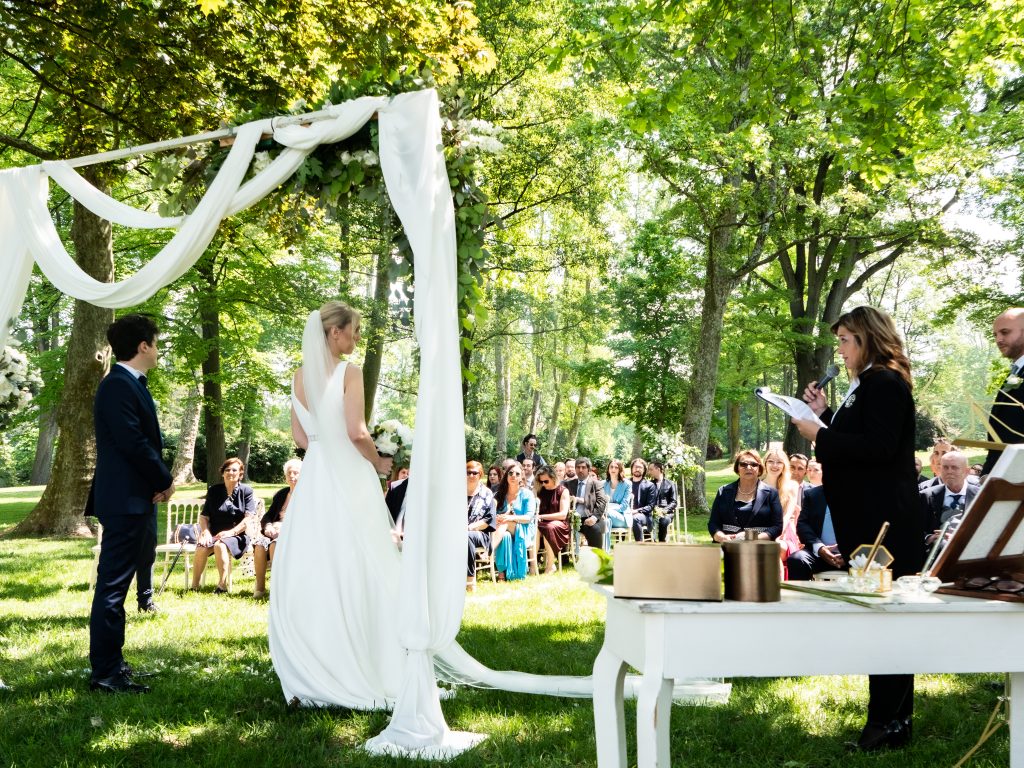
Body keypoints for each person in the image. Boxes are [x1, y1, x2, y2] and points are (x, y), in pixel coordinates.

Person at [792, 305, 924, 752]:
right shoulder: (864, 386)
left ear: (867, 338)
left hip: (883, 525)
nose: (840, 349)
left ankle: (888, 723)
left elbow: (880, 448)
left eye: (845, 339)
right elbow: (858, 444)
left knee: (887, 621)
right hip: (868, 521)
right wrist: (825, 415)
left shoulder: (884, 383)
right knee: (881, 620)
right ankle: (892, 721)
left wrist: (817, 434)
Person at [269, 301, 400, 709]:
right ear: (334, 332)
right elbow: (357, 431)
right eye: (354, 330)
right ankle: (367, 663)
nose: (357, 338)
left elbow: (301, 438)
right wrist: (379, 461)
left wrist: (326, 449)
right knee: (360, 561)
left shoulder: (299, 376)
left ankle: (318, 663)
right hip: (348, 474)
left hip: (315, 479)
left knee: (318, 563)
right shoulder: (350, 373)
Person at [88, 314, 174, 694]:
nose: (158, 350)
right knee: (112, 587)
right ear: (143, 346)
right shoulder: (118, 385)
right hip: (124, 499)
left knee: (116, 585)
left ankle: (114, 664)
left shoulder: (130, 383)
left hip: (133, 497)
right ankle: (105, 672)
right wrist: (164, 479)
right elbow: (133, 442)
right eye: (155, 343)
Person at [190, 457, 256, 593]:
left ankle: (222, 585)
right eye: (227, 470)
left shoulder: (246, 491)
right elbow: (204, 517)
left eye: (234, 470)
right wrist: (205, 532)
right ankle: (194, 586)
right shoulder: (214, 491)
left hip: (238, 535)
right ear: (222, 473)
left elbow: (248, 519)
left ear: (240, 474)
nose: (230, 472)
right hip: (214, 534)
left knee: (220, 545)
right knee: (201, 546)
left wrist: (230, 533)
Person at [982, 308, 1024, 476]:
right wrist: (988, 474)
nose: (999, 339)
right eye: (995, 335)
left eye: (1005, 332)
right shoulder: (1015, 373)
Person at [708, 450, 783, 542]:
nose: (748, 467)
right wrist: (721, 537)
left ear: (759, 468)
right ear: (737, 468)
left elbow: (777, 526)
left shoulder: (771, 493)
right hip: (727, 546)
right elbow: (713, 523)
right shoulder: (723, 491)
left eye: (754, 464)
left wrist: (752, 538)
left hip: (759, 547)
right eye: (743, 464)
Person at [253, 458, 301, 599]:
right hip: (273, 531)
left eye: (296, 473)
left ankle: (277, 588)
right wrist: (268, 526)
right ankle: (260, 588)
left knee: (275, 544)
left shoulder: (306, 495)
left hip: (294, 534)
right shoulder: (282, 494)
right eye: (289, 473)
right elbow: (267, 516)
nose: (292, 476)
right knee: (260, 544)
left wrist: (283, 529)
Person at [785, 484, 845, 579]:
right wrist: (820, 548)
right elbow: (802, 524)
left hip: (855, 556)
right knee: (797, 559)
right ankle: (801, 594)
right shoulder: (813, 494)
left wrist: (849, 553)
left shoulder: (864, 494)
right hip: (819, 554)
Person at [920, 450, 979, 544]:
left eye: (954, 467)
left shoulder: (980, 495)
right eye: (945, 467)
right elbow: (914, 528)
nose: (949, 472)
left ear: (967, 471)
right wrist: (929, 538)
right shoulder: (926, 495)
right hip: (936, 552)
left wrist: (960, 538)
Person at [493, 461, 535, 580]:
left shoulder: (527, 494)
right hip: (503, 529)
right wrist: (498, 517)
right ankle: (502, 574)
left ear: (521, 477)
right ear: (506, 476)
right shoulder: (499, 495)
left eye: (517, 474)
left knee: (505, 523)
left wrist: (510, 518)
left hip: (524, 528)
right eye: (510, 473)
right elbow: (491, 513)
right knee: (505, 535)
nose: (513, 476)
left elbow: (528, 518)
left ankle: (489, 551)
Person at [763, 448, 801, 560]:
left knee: (777, 547)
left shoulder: (792, 486)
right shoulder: (757, 484)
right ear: (765, 463)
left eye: (779, 462)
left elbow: (787, 516)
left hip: (783, 532)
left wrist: (775, 536)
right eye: (771, 461)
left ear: (784, 465)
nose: (775, 465)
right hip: (760, 529)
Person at [466, 461, 497, 590]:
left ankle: (470, 581)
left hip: (480, 533)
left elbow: (488, 520)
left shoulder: (486, 494)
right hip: (455, 532)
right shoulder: (456, 492)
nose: (472, 475)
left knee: (466, 537)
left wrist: (470, 527)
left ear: (480, 475)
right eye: (469, 472)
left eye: (475, 473)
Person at [535, 465, 570, 573]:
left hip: (559, 524)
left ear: (553, 477)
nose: (543, 484)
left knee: (548, 528)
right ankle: (533, 565)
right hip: (541, 523)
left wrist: (542, 517)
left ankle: (551, 565)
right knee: (535, 529)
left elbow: (563, 515)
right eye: (541, 482)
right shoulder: (540, 490)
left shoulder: (563, 491)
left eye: (546, 481)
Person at [574, 457, 608, 548]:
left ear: (588, 470)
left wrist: (594, 517)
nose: (580, 470)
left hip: (588, 518)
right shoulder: (569, 483)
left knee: (595, 529)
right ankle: (564, 560)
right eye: (578, 467)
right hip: (571, 519)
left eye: (583, 467)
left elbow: (601, 501)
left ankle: (596, 558)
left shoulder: (596, 484)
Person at [627, 458, 657, 542]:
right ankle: (619, 546)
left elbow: (650, 506)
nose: (637, 469)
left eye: (640, 467)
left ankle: (640, 546)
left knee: (636, 518)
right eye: (635, 467)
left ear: (644, 470)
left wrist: (635, 511)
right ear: (632, 469)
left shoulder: (650, 485)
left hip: (644, 515)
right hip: (626, 513)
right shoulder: (625, 483)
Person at [646, 460, 677, 542]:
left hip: (666, 513)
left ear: (658, 469)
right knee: (645, 520)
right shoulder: (649, 484)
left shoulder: (670, 484)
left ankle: (661, 543)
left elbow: (674, 502)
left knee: (663, 521)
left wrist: (664, 510)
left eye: (651, 469)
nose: (649, 472)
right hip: (652, 512)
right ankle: (648, 544)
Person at [603, 459, 631, 531]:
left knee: (604, 513)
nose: (613, 469)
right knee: (606, 521)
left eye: (616, 467)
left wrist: (609, 508)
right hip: (606, 516)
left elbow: (624, 506)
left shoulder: (627, 484)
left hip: (622, 517)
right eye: (611, 467)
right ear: (608, 469)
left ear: (620, 469)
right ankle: (604, 543)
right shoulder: (603, 484)